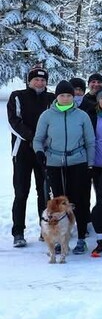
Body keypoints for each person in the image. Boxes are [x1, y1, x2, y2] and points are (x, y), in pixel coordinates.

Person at [33, 80, 96, 254]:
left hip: (78, 161)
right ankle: (61, 239)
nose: (66, 98)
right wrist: (39, 152)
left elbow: (90, 141)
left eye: (69, 95)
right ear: (57, 97)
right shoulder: (47, 115)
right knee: (58, 204)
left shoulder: (82, 116)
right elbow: (38, 139)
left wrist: (90, 163)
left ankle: (81, 237)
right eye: (63, 95)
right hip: (55, 162)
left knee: (79, 201)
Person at [7, 65, 54, 247]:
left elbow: (53, 120)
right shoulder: (17, 96)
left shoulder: (50, 98)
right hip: (22, 150)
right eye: (36, 79)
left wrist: (43, 141)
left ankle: (45, 229)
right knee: (21, 192)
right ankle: (18, 231)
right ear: (29, 80)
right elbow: (14, 121)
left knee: (43, 192)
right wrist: (32, 137)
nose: (39, 82)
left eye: (43, 80)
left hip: (44, 151)